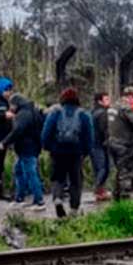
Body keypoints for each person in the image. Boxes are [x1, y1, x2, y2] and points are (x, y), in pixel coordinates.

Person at [41, 88, 95, 218]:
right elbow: (89, 136)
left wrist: (48, 147)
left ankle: (58, 198)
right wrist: (86, 151)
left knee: (57, 177)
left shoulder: (55, 113)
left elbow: (46, 132)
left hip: (57, 151)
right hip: (76, 152)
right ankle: (74, 209)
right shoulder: (84, 114)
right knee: (76, 180)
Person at [0, 93, 44, 207]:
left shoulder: (23, 114)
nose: (11, 108)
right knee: (19, 170)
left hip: (26, 148)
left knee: (30, 173)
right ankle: (20, 197)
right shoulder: (33, 111)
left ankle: (39, 200)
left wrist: (5, 142)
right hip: (32, 147)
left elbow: (17, 130)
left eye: (12, 105)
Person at [108, 86, 133, 200]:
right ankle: (124, 194)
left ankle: (116, 192)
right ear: (131, 96)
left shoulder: (113, 106)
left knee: (117, 169)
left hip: (112, 141)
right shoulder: (126, 108)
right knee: (125, 170)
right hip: (124, 143)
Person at [0, 76, 14, 200]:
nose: (9, 93)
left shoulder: (4, 101)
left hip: (3, 138)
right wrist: (3, 115)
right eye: (7, 90)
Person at [90, 93, 112, 202]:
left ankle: (100, 190)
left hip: (93, 144)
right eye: (106, 99)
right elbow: (104, 129)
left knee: (98, 168)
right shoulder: (103, 113)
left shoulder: (92, 112)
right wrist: (108, 140)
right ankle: (98, 188)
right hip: (100, 144)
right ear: (100, 101)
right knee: (104, 168)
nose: (109, 100)